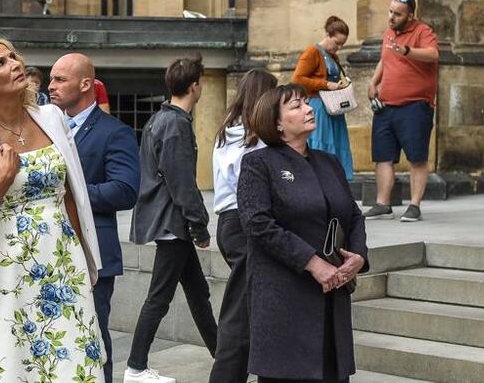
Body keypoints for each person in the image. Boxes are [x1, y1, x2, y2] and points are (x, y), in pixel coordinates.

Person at [0, 38, 105, 383]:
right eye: (0, 63)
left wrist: (83, 261)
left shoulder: (53, 117)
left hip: (61, 262)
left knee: (72, 362)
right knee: (13, 361)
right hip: (4, 270)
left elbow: (71, 193)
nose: (14, 64)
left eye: (12, 57)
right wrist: (2, 181)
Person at [237, 84, 369, 383]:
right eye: (296, 106)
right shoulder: (259, 163)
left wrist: (359, 256)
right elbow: (257, 224)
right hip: (285, 298)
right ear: (277, 123)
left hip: (331, 295)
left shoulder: (329, 162)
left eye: (306, 104)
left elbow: (353, 215)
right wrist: (313, 263)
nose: (308, 109)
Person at [48, 52, 140, 382]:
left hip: (93, 254)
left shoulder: (115, 132)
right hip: (46, 252)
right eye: (51, 78)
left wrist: (69, 191)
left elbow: (125, 190)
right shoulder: (45, 128)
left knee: (92, 343)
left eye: (60, 79)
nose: (51, 86)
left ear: (86, 84)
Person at [127, 54, 217, 383]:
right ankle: (136, 367)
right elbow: (182, 183)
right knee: (159, 297)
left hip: (170, 222)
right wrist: (200, 226)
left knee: (197, 293)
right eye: (201, 82)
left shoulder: (159, 119)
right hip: (172, 223)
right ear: (195, 86)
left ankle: (223, 357)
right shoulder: (176, 124)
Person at [209, 68, 278, 383]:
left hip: (228, 221)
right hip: (244, 220)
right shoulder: (255, 136)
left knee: (248, 306)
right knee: (240, 311)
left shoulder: (228, 129)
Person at [364, 0, 439, 222]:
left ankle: (414, 206)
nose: (392, 17)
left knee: (416, 157)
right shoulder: (389, 33)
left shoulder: (422, 31)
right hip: (386, 106)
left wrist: (408, 51)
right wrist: (373, 82)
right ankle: (382, 204)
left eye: (397, 14)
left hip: (415, 105)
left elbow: (433, 54)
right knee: (382, 156)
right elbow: (385, 60)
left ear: (410, 16)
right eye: (390, 12)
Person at [292, 17, 355, 179]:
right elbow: (298, 79)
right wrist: (326, 84)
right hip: (319, 106)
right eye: (337, 43)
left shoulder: (333, 56)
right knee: (322, 145)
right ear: (328, 35)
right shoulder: (312, 52)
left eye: (342, 45)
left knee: (335, 144)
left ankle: (334, 180)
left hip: (334, 108)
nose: (338, 48)